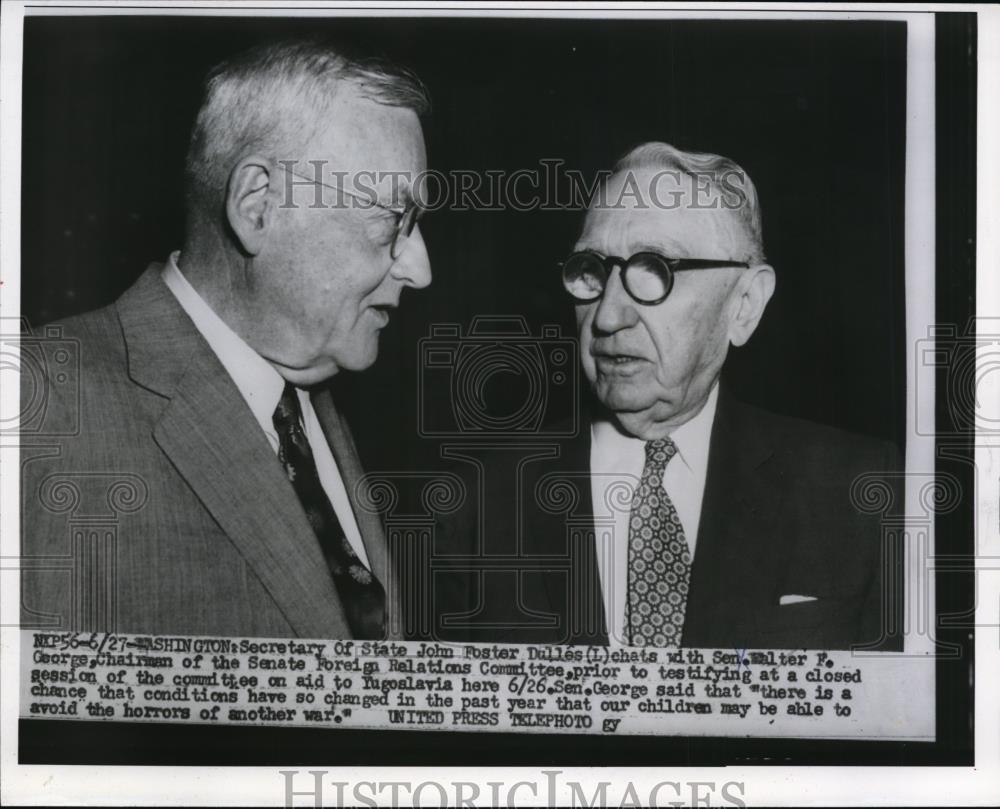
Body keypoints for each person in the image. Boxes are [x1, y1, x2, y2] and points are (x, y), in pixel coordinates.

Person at [20, 38, 432, 639]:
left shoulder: (319, 407)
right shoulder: (41, 406)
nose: (420, 269)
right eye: (391, 221)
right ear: (258, 205)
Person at [434, 142, 903, 651]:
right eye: (591, 270)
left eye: (654, 270)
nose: (609, 317)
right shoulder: (475, 506)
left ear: (744, 305)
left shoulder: (860, 493)